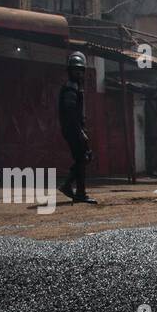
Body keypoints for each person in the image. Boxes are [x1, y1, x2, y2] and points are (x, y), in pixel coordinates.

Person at [58, 51, 96, 204]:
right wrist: (80, 132)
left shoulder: (74, 86)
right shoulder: (71, 88)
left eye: (80, 70)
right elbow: (70, 112)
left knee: (83, 158)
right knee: (83, 158)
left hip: (74, 129)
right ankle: (70, 187)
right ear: (70, 71)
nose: (79, 73)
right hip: (73, 130)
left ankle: (77, 191)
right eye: (75, 70)